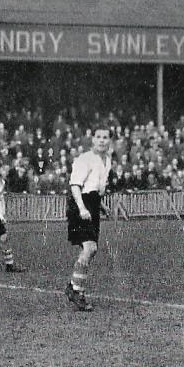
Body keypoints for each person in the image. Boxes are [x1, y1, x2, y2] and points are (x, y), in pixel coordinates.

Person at [65, 128, 112, 312]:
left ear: (109, 141)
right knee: (90, 247)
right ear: (93, 139)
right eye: (98, 137)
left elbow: (95, 188)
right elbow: (75, 185)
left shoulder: (107, 161)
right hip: (79, 204)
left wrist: (101, 206)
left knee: (91, 250)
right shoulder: (84, 159)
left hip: (92, 204)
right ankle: (77, 292)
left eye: (105, 137)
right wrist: (82, 208)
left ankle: (72, 286)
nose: (101, 140)